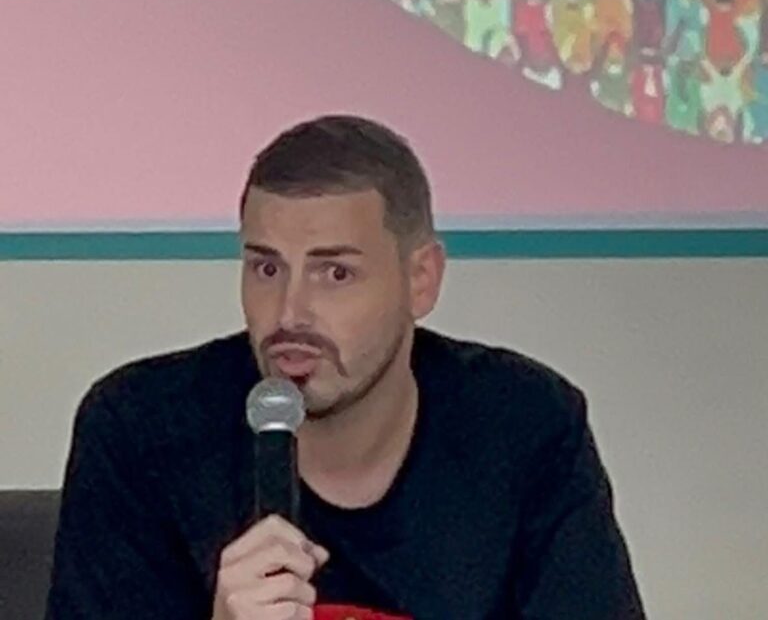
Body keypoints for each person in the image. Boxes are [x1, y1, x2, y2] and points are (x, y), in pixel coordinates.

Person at [46, 115, 645, 619]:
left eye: (335, 273)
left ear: (421, 279)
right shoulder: (141, 430)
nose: (289, 313)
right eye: (266, 268)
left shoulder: (524, 425)